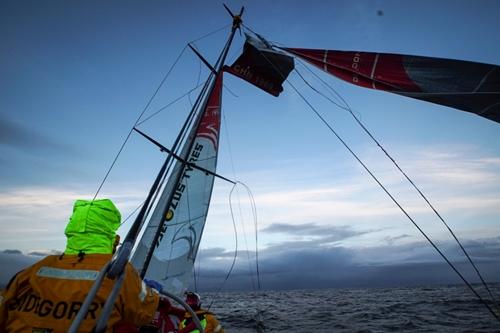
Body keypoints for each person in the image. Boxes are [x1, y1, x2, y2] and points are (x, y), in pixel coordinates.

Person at [0, 199, 170, 333]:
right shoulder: (120, 273)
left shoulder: (35, 269)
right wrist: (152, 292)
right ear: (112, 236)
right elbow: (145, 313)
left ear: (71, 229)